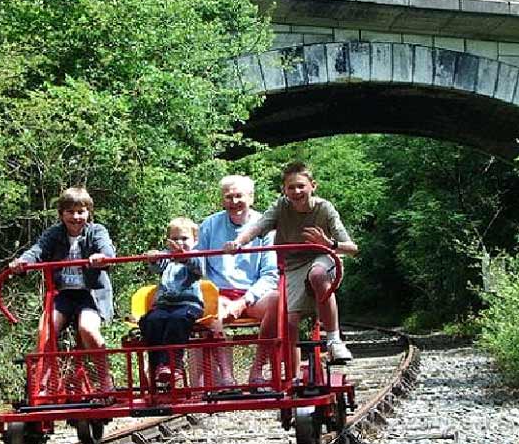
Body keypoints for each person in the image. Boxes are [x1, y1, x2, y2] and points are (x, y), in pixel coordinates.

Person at [224, 162, 357, 365]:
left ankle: (334, 340)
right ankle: (290, 376)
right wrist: (238, 243)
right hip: (293, 265)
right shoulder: (281, 207)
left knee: (318, 275)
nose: (296, 192)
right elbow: (258, 227)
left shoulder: (324, 208)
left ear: (313, 186)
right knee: (289, 322)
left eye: (301, 186)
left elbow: (352, 248)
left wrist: (329, 244)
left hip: (323, 256)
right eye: (291, 187)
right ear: (284, 190)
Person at [9, 187, 114, 391]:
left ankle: (105, 382)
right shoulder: (55, 234)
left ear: (88, 213)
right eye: (70, 212)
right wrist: (22, 262)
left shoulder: (96, 231)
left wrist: (102, 257)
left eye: (80, 212)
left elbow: (107, 249)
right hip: (63, 294)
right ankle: (43, 384)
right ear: (61, 214)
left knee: (87, 329)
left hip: (91, 294)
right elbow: (37, 250)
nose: (75, 217)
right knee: (45, 330)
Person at [196, 175, 278, 385]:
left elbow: (270, 274)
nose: (234, 202)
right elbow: (197, 262)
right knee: (209, 306)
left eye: (239, 196)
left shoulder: (265, 226)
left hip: (253, 294)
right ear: (222, 200)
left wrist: (244, 301)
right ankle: (226, 377)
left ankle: (257, 371)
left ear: (251, 197)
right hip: (219, 293)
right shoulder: (210, 225)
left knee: (277, 302)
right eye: (228, 197)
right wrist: (173, 257)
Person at [140, 218, 205, 387]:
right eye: (175, 239)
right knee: (152, 320)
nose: (179, 243)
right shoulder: (167, 258)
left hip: (188, 304)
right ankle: (157, 366)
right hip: (165, 304)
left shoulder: (196, 256)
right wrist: (153, 258)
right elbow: (156, 267)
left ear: (195, 240)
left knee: (177, 320)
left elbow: (198, 269)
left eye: (184, 238)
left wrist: (183, 257)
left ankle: (173, 364)